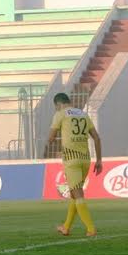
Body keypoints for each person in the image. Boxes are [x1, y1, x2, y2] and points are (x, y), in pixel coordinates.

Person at [47, 93, 103, 236]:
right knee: (74, 193)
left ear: (58, 104)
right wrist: (99, 160)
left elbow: (51, 138)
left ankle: (91, 228)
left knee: (77, 194)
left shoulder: (60, 114)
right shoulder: (83, 114)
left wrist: (56, 139)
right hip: (85, 159)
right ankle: (66, 227)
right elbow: (96, 138)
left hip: (71, 160)